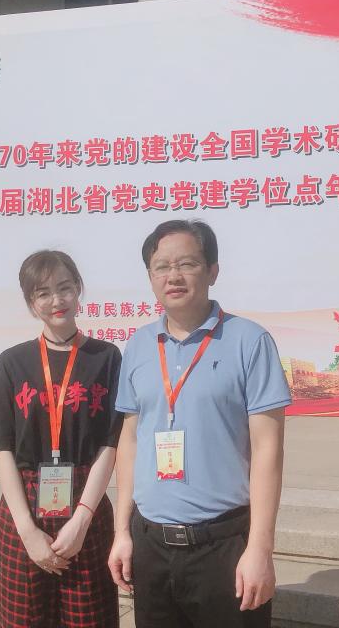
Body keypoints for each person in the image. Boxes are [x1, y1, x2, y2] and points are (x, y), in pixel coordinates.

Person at [109, 220, 291, 628]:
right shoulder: (139, 345)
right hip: (151, 545)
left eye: (187, 264)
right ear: (150, 277)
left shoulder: (249, 341)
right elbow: (130, 440)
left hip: (223, 546)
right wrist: (122, 532)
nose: (173, 276)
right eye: (161, 267)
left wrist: (260, 549)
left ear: (212, 271)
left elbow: (268, 450)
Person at [0, 250, 122, 628]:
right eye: (42, 293)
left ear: (78, 289)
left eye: (64, 288)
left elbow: (110, 444)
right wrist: (27, 531)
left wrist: (82, 519)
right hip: (24, 507)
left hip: (85, 503)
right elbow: (2, 447)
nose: (56, 300)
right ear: (31, 302)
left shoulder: (106, 358)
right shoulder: (11, 363)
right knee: (22, 620)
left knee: (90, 619)